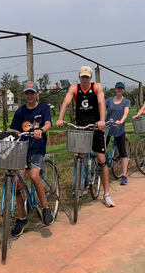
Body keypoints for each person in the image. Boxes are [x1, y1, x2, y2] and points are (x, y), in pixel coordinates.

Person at [57, 66, 114, 207]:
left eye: (87, 77)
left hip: (95, 126)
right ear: (79, 77)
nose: (84, 79)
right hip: (81, 127)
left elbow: (101, 103)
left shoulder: (97, 87)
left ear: (90, 78)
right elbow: (66, 102)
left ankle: (106, 193)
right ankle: (78, 186)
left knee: (101, 158)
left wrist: (102, 121)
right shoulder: (74, 88)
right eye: (82, 77)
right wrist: (60, 118)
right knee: (77, 155)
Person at [8, 82, 53, 237]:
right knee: (17, 183)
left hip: (37, 148)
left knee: (34, 176)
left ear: (37, 93)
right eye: (27, 93)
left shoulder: (43, 108)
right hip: (22, 149)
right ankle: (22, 219)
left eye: (32, 93)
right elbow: (16, 128)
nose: (30, 96)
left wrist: (40, 130)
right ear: (24, 95)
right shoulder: (20, 111)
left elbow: (48, 124)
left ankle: (45, 207)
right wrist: (14, 134)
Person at [106, 82, 131, 185]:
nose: (119, 90)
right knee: (100, 148)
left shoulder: (126, 101)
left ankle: (124, 175)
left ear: (123, 90)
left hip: (119, 128)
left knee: (122, 152)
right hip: (108, 127)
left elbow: (126, 113)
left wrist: (121, 121)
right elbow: (102, 108)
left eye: (121, 88)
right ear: (115, 90)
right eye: (118, 88)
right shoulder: (109, 100)